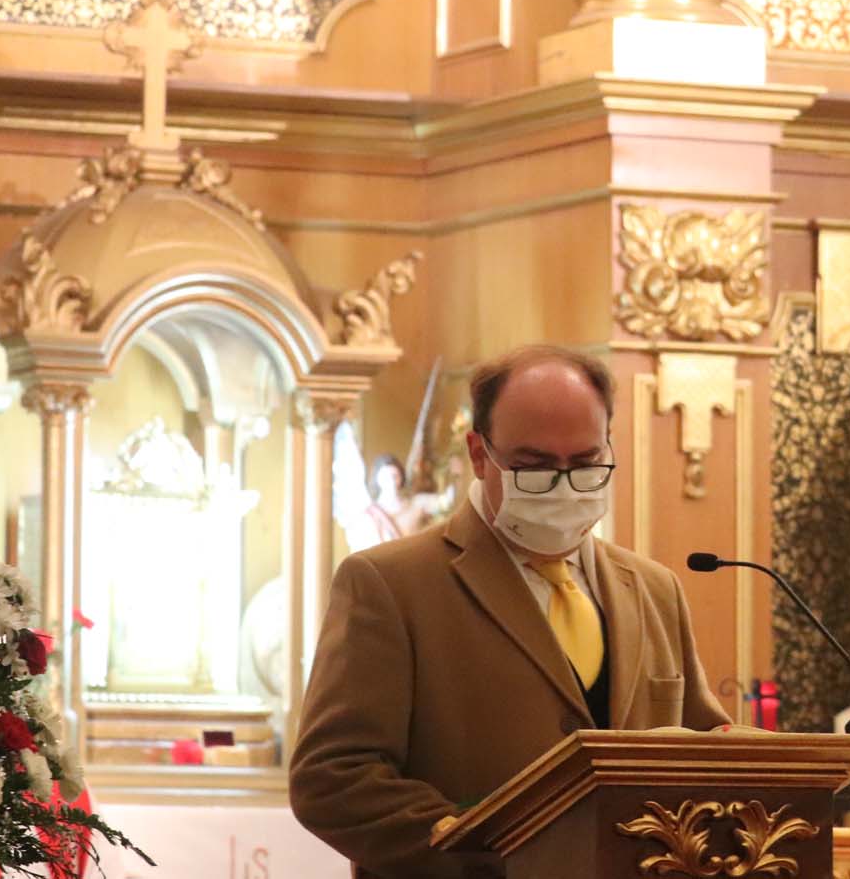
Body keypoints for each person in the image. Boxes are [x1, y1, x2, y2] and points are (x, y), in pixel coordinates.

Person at [290, 346, 729, 878]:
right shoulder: (390, 584)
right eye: (534, 466)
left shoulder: (654, 589)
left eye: (585, 463)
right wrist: (503, 850)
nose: (563, 485)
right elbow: (331, 779)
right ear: (480, 455)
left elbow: (703, 748)